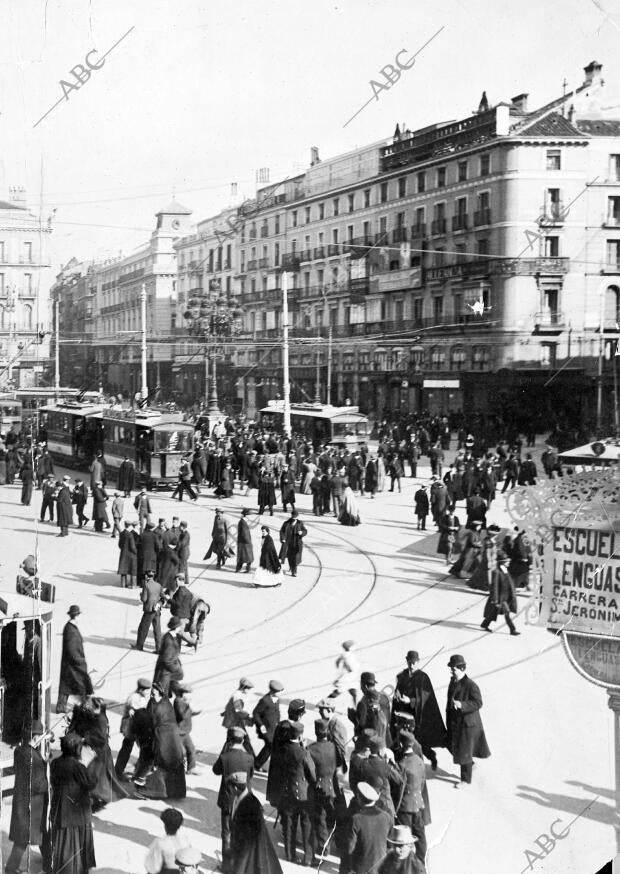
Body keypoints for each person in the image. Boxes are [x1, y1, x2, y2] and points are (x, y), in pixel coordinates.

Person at [6, 720, 50, 874]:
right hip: (33, 804)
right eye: (40, 737)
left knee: (30, 836)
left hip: (21, 800)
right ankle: (11, 869)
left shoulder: (19, 751)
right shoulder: (34, 757)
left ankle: (48, 862)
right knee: (27, 838)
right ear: (35, 737)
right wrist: (49, 783)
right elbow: (38, 785)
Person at [49, 731, 97, 874]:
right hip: (77, 813)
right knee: (77, 844)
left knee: (64, 843)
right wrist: (88, 763)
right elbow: (90, 783)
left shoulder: (56, 763)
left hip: (60, 810)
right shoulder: (78, 766)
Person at [392, 650, 446, 771]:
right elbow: (398, 688)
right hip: (404, 713)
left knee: (419, 741)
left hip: (418, 715)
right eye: (409, 662)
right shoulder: (402, 675)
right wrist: (397, 694)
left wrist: (410, 701)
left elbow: (425, 698)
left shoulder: (423, 678)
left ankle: (431, 757)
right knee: (405, 740)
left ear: (418, 662)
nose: (411, 665)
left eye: (414, 663)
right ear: (406, 661)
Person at [213, 727, 255, 872]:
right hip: (244, 801)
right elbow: (251, 775)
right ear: (243, 739)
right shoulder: (249, 758)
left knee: (226, 833)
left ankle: (227, 866)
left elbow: (215, 770)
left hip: (228, 799)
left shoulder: (225, 757)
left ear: (229, 740)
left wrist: (224, 751)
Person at [445, 654, 490, 784]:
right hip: (456, 723)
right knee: (458, 748)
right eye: (451, 669)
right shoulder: (453, 682)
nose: (451, 671)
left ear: (462, 669)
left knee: (464, 749)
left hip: (467, 725)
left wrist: (462, 705)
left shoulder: (470, 685)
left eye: (454, 669)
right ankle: (470, 764)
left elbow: (478, 703)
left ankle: (465, 780)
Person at [229, 771, 283, 874]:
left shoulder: (249, 806)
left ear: (235, 788)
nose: (230, 790)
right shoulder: (242, 799)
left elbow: (247, 842)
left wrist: (239, 868)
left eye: (231, 788)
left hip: (251, 857)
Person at [141, 682, 187, 799]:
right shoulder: (164, 703)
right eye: (151, 694)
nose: (152, 696)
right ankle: (177, 792)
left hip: (164, 737)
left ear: (160, 694)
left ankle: (158, 791)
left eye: (154, 694)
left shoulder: (160, 707)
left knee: (163, 762)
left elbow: (150, 721)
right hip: (171, 736)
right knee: (174, 762)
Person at [280, 721, 316, 865]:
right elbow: (312, 775)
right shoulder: (303, 752)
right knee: (306, 824)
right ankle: (308, 858)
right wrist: (305, 747)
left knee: (289, 823)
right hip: (303, 793)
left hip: (287, 791)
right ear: (300, 736)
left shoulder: (283, 749)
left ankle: (290, 855)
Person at [308, 718, 343, 864]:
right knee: (329, 815)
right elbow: (340, 764)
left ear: (316, 732)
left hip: (318, 789)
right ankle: (328, 840)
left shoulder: (310, 749)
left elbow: (309, 772)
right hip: (332, 786)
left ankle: (323, 846)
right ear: (327, 732)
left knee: (319, 817)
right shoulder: (333, 747)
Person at [394, 732, 428, 866]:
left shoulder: (402, 764)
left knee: (404, 839)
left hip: (405, 807)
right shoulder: (419, 761)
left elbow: (397, 787)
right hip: (418, 804)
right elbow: (423, 782)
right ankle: (420, 862)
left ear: (401, 744)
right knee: (420, 836)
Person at [345, 782, 392, 874]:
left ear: (359, 798)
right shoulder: (386, 817)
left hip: (361, 869)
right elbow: (390, 846)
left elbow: (350, 848)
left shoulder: (356, 819)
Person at [57, 605, 93, 715]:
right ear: (76, 616)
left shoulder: (70, 627)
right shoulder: (71, 630)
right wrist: (79, 661)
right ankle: (86, 706)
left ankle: (61, 706)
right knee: (83, 683)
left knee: (66, 685)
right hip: (74, 663)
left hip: (69, 663)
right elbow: (72, 648)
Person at [115, 678, 151, 778]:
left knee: (137, 748)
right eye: (147, 690)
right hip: (131, 727)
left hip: (135, 727)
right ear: (141, 689)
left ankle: (136, 769)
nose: (148, 692)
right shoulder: (134, 698)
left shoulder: (140, 696)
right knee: (127, 749)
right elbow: (140, 713)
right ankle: (118, 772)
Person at [481, 550, 520, 635]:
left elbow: (509, 583)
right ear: (502, 562)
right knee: (507, 613)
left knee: (493, 612)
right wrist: (495, 600)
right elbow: (494, 587)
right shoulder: (497, 572)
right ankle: (512, 630)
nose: (509, 563)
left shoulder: (505, 570)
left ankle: (484, 624)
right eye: (507, 562)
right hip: (500, 598)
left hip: (506, 597)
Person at [144, 808, 192, 874]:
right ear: (179, 826)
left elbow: (153, 867)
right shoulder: (185, 840)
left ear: (165, 826)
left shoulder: (160, 843)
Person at [252, 679, 283, 771]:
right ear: (273, 691)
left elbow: (277, 712)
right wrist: (261, 725)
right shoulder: (265, 700)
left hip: (274, 728)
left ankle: (257, 763)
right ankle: (257, 764)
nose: (280, 693)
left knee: (270, 747)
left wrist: (279, 722)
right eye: (279, 692)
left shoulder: (277, 699)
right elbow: (255, 713)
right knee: (270, 746)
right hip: (266, 729)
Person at [153, 617, 185, 696]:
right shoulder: (169, 641)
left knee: (170, 688)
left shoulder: (174, 636)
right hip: (165, 671)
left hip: (169, 670)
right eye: (180, 626)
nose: (181, 627)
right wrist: (176, 668)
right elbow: (167, 660)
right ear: (176, 627)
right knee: (161, 693)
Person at [174, 683, 201, 774]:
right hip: (179, 731)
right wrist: (188, 704)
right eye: (187, 692)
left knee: (191, 749)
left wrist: (196, 712)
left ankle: (191, 768)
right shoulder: (178, 701)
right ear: (182, 692)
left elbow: (188, 714)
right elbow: (182, 715)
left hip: (185, 731)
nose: (189, 694)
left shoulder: (184, 702)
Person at [279, 509, 307, 577]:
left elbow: (305, 531)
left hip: (297, 543)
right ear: (291, 516)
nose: (294, 517)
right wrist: (283, 538)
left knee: (296, 557)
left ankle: (294, 570)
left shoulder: (300, 523)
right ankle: (292, 570)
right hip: (288, 543)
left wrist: (302, 533)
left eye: (296, 516)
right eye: (293, 516)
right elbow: (282, 531)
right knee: (290, 557)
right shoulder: (286, 523)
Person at [118, 521, 138, 588]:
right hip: (130, 555)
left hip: (123, 554)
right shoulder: (130, 535)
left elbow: (119, 545)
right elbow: (132, 546)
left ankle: (123, 584)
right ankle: (133, 585)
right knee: (133, 569)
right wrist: (136, 552)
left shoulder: (122, 533)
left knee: (123, 569)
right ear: (129, 526)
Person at [236, 508, 255, 573]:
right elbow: (244, 533)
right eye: (249, 515)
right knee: (246, 556)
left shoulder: (243, 521)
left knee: (245, 557)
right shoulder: (242, 522)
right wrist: (248, 541)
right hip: (244, 542)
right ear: (245, 515)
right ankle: (240, 569)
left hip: (244, 542)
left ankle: (245, 569)